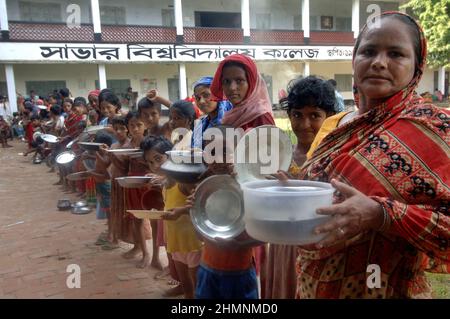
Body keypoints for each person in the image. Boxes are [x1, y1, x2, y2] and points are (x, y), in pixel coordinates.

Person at [293, 11, 449, 299]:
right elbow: (322, 191)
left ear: (417, 67)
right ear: (354, 60)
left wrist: (381, 215)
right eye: (368, 51)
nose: (378, 62)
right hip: (315, 285)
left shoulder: (434, 130)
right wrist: (293, 190)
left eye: (396, 54)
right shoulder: (339, 124)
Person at [194, 54, 275, 299]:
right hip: (224, 201)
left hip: (247, 208)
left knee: (239, 275)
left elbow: (267, 173)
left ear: (251, 82)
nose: (232, 88)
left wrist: (239, 170)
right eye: (227, 81)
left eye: (239, 81)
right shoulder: (229, 117)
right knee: (216, 265)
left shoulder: (261, 119)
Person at [262, 75, 336, 299]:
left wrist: (293, 190)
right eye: (297, 115)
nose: (304, 125)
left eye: (314, 115)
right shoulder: (282, 157)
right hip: (284, 244)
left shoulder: (335, 157)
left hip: (319, 244)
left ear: (329, 117)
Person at [142, 135, 203, 299]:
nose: (155, 165)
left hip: (193, 242)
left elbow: (201, 208)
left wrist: (181, 211)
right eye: (150, 162)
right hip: (175, 241)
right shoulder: (165, 182)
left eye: (158, 159)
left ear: (170, 155)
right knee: (186, 287)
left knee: (197, 287)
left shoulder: (184, 181)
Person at [191, 76, 233, 149]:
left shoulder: (232, 122)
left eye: (206, 95)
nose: (201, 101)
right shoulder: (200, 126)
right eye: (197, 98)